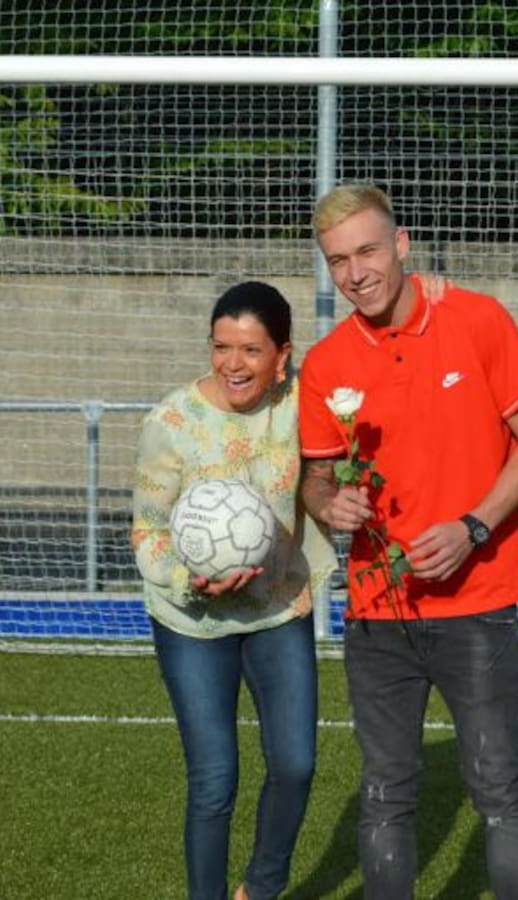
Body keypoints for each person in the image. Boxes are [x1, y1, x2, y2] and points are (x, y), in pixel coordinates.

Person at [298, 183, 518, 900]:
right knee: (386, 794)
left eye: (368, 251)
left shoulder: (478, 320)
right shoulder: (325, 365)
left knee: (498, 789)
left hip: (478, 606)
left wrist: (474, 528)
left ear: (402, 244)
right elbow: (315, 483)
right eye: (338, 260)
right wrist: (331, 504)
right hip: (378, 615)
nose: (356, 273)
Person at [131, 281, 336, 900]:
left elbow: (369, 371)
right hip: (191, 619)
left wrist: (426, 293)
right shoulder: (171, 423)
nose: (232, 363)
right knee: (215, 779)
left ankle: (261, 890)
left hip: (278, 608)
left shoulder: (303, 402)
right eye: (222, 347)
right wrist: (193, 577)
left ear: (283, 354)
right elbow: (147, 531)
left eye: (250, 350)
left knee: (296, 764)